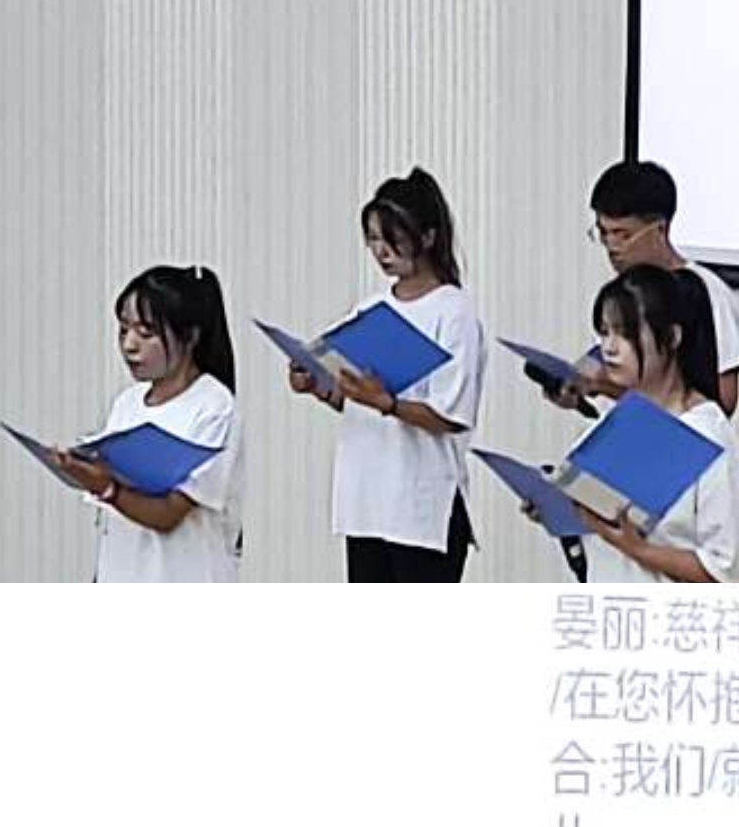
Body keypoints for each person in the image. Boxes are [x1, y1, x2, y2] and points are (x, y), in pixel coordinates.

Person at [284, 172, 485, 583]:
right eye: (373, 239)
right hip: (365, 503)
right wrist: (319, 385)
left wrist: (388, 404)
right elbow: (354, 399)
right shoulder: (371, 309)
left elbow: (452, 415)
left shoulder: (453, 311)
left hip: (420, 513)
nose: (381, 251)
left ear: (427, 237)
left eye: (392, 238)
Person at [48, 264, 243, 583]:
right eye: (124, 329)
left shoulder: (214, 407)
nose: (129, 345)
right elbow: (113, 527)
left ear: (190, 336)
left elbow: (168, 515)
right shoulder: (127, 404)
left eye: (146, 332)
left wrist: (106, 487)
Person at [575, 263, 739, 585]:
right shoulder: (619, 420)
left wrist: (638, 549)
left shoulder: (707, 436)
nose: (608, 348)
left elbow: (723, 568)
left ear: (671, 337)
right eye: (604, 332)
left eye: (625, 334)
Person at [581, 162, 739, 420]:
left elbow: (723, 398)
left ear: (660, 229)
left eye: (623, 235)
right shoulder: (621, 293)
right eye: (603, 234)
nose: (612, 247)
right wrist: (578, 387)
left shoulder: (705, 291)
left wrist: (604, 385)